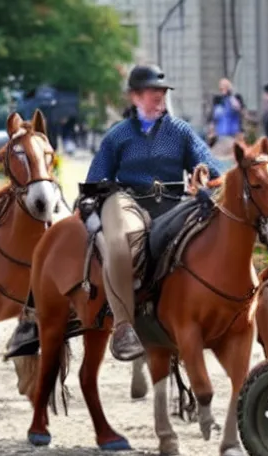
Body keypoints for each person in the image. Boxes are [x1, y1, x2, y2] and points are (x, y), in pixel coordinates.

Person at [86, 64, 222, 362]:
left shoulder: (181, 131)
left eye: (162, 92)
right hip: (130, 202)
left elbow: (212, 169)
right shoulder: (117, 136)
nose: (160, 97)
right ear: (135, 97)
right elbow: (96, 179)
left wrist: (213, 180)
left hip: (175, 203)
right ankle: (123, 327)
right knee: (122, 240)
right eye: (153, 92)